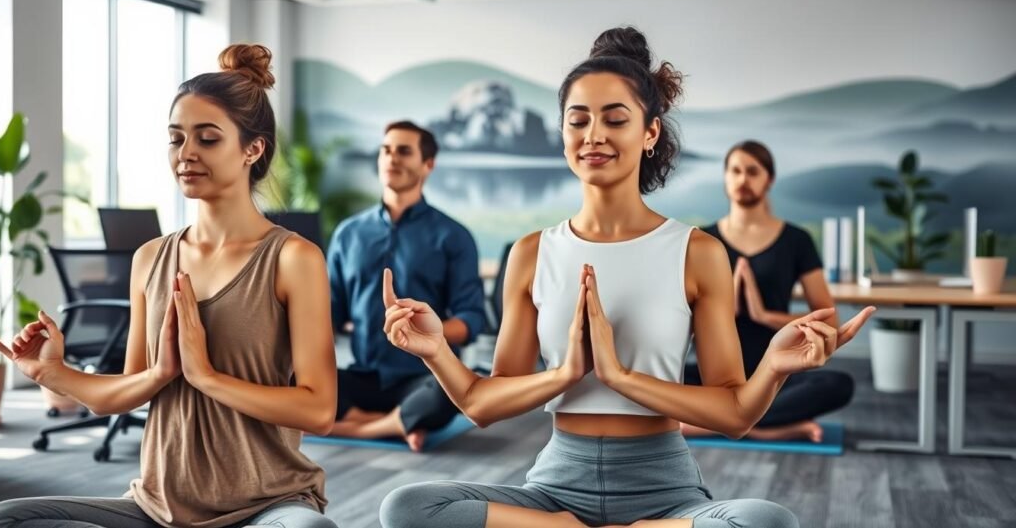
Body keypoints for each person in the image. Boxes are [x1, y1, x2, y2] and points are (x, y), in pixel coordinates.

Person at [377, 27, 875, 528]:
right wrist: (446, 353)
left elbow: (734, 413)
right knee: (407, 507)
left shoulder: (697, 251)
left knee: (767, 522)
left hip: (666, 492)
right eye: (578, 121)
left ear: (650, 132)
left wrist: (769, 367)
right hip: (555, 488)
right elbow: (484, 404)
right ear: (563, 132)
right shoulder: (531, 253)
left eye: (616, 120)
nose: (594, 135)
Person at [0, 45, 339, 528]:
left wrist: (207, 377)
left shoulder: (292, 259)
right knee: (8, 518)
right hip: (157, 509)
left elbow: (319, 409)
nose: (186, 154)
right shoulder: (150, 258)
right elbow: (129, 388)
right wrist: (52, 373)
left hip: (267, 509)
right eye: (176, 139)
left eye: (208, 138)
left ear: (252, 149)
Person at [324, 121, 485, 452]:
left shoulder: (454, 236)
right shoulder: (347, 234)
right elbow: (330, 314)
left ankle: (357, 427)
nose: (392, 158)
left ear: (428, 164)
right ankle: (392, 423)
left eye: (403, 151)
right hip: (364, 376)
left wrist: (429, 332)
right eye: (386, 150)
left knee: (452, 390)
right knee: (289, 373)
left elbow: (472, 319)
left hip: (422, 377)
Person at [681, 140, 854, 442]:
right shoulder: (702, 241)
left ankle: (721, 424)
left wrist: (764, 315)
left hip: (776, 375)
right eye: (735, 171)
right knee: (648, 381)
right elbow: (682, 321)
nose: (742, 180)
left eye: (752, 171)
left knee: (839, 384)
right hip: (713, 377)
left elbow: (829, 321)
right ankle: (763, 427)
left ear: (768, 180)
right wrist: (724, 312)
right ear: (725, 178)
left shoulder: (796, 240)